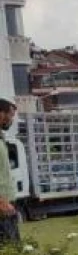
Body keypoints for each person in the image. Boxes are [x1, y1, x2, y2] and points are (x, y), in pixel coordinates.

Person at [0, 96, 19, 244]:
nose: (11, 120)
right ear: (1, 113)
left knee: (15, 254)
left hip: (7, 204)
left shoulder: (1, 138)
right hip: (2, 205)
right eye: (10, 115)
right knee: (9, 252)